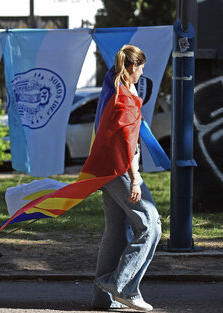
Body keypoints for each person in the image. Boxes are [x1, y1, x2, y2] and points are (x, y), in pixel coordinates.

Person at [91, 45, 162, 311]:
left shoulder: (111, 87)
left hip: (104, 169)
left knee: (116, 232)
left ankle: (103, 298)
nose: (142, 74)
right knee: (150, 224)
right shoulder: (126, 99)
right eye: (141, 69)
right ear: (132, 68)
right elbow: (127, 143)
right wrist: (135, 179)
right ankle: (123, 287)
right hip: (119, 169)